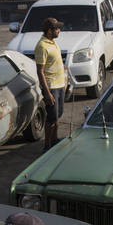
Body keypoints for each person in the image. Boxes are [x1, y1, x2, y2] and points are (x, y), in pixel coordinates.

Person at [34, 17, 68, 150]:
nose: (59, 30)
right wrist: (47, 93)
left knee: (58, 115)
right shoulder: (42, 46)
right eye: (57, 28)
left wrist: (65, 79)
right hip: (51, 87)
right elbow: (40, 71)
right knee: (51, 118)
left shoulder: (53, 42)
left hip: (60, 86)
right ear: (49, 31)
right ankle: (47, 146)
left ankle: (54, 140)